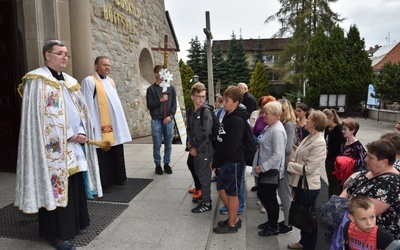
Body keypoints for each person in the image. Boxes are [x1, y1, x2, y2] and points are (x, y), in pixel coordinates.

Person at [15, 40, 102, 250]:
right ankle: (57, 234)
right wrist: (69, 134)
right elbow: (40, 118)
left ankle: (77, 222)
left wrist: (80, 131)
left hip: (73, 145)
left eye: (66, 54)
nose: (64, 57)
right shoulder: (36, 80)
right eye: (60, 53)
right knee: (55, 187)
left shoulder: (71, 82)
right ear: (47, 55)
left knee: (74, 184)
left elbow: (82, 112)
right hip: (50, 148)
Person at [81, 56, 132, 187]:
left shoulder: (110, 81)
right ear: (96, 66)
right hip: (99, 124)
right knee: (102, 152)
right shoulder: (89, 81)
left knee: (116, 149)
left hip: (113, 124)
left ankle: (118, 177)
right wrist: (90, 124)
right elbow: (86, 103)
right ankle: (104, 182)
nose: (107, 67)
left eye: (109, 65)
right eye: (104, 65)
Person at [340, 139, 400, 240]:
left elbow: (364, 213)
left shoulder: (391, 184)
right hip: (353, 232)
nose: (365, 159)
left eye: (370, 157)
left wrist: (340, 208)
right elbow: (348, 189)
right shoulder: (369, 171)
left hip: (373, 240)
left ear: (384, 162)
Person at [287, 110, 328, 250]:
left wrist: (289, 165)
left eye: (309, 118)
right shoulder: (310, 137)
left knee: (309, 218)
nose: (305, 119)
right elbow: (300, 156)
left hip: (309, 187)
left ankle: (309, 245)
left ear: (315, 123)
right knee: (304, 216)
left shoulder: (319, 142)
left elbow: (309, 169)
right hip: (300, 184)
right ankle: (304, 241)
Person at [212, 86, 248, 234]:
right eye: (224, 100)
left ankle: (232, 224)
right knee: (221, 188)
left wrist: (217, 162)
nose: (223, 103)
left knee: (232, 193)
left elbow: (231, 146)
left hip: (232, 162)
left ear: (236, 102)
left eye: (227, 101)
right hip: (224, 160)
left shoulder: (237, 120)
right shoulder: (229, 115)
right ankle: (234, 218)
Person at [253, 101, 287, 237]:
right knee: (263, 195)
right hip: (266, 168)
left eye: (266, 113)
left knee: (270, 199)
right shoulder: (270, 126)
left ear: (276, 115)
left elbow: (278, 154)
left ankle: (273, 226)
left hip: (271, 170)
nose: (263, 115)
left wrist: (262, 167)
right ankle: (270, 222)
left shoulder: (277, 130)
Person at [186, 82, 214, 213]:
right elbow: (190, 129)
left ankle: (207, 203)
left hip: (205, 150)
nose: (201, 99)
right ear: (192, 97)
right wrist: (189, 144)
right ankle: (203, 197)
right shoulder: (191, 111)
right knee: (198, 174)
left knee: (204, 177)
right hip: (195, 149)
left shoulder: (206, 112)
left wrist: (194, 145)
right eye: (198, 96)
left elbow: (205, 132)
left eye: (203, 96)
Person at [146, 65, 177, 175]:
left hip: (168, 119)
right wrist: (160, 100)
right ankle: (158, 164)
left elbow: (174, 104)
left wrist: (170, 116)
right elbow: (150, 105)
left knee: (168, 143)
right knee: (157, 143)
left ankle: (167, 163)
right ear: (156, 74)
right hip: (156, 119)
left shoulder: (170, 88)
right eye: (161, 72)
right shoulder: (151, 89)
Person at [276, 98, 297, 235]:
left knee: (285, 196)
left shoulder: (288, 125)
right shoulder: (285, 123)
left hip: (285, 163)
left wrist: (275, 152)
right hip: (282, 163)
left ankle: (288, 223)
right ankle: (287, 221)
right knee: (283, 194)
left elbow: (288, 148)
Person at [322, 109, 345, 197]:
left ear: (331, 118)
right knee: (331, 182)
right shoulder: (327, 129)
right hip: (329, 159)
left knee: (336, 184)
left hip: (336, 160)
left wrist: (329, 151)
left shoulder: (339, 130)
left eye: (325, 120)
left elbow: (341, 147)